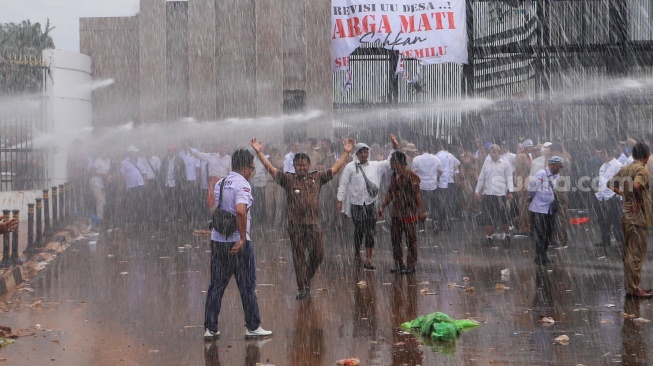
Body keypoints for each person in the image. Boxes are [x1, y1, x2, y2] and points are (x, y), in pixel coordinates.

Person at [251, 137, 354, 300]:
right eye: (299, 165)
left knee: (318, 255)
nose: (302, 168)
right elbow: (271, 169)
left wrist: (346, 153)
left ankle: (306, 277)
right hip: (295, 226)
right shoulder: (288, 179)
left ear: (309, 165)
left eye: (304, 165)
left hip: (314, 224)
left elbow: (334, 169)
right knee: (298, 256)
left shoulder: (317, 177)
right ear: (294, 166)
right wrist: (259, 153)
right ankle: (302, 287)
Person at [203, 149, 273, 339]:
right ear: (244, 168)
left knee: (216, 285)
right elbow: (240, 210)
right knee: (247, 286)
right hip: (237, 243)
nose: (252, 172)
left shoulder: (221, 182)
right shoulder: (243, 184)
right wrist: (242, 237)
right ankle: (252, 326)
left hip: (218, 241)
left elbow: (218, 208)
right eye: (251, 168)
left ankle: (210, 327)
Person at [337, 134, 399, 270]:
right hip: (356, 204)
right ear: (357, 154)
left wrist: (394, 148)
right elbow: (343, 183)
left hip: (371, 203)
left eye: (366, 151)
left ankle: (369, 259)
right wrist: (340, 199)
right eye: (361, 152)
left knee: (370, 231)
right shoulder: (350, 167)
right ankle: (357, 254)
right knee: (359, 230)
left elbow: (389, 162)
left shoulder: (376, 166)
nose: (364, 154)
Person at [608, 142, 653, 298]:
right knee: (636, 254)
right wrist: (638, 200)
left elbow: (610, 184)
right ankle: (634, 288)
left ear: (633, 155)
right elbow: (637, 185)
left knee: (628, 253)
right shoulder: (642, 170)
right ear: (646, 157)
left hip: (626, 216)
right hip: (638, 218)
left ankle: (631, 286)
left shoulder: (625, 169)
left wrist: (624, 195)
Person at [377, 151, 426, 274]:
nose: (391, 165)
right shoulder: (394, 176)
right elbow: (390, 193)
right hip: (396, 214)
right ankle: (398, 263)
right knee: (395, 239)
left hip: (409, 213)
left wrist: (422, 212)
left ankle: (411, 265)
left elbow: (417, 195)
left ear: (398, 163)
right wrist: (382, 207)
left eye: (392, 163)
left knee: (411, 240)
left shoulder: (412, 176)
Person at [475, 144, 515, 245]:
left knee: (504, 217)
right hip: (488, 195)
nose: (493, 154)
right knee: (488, 218)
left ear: (499, 152)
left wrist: (510, 191)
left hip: (501, 195)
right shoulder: (487, 163)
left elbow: (509, 179)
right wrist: (477, 190)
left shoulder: (505, 164)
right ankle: (489, 238)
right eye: (491, 152)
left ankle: (507, 236)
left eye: (495, 152)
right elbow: (481, 178)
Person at [528, 156, 564, 268]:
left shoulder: (557, 175)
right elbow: (533, 188)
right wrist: (530, 197)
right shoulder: (541, 174)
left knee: (549, 233)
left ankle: (543, 253)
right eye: (559, 166)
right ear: (552, 165)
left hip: (550, 208)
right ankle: (540, 256)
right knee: (540, 233)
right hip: (539, 209)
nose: (560, 169)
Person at [594, 144, 623, 247]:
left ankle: (621, 242)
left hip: (613, 197)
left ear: (607, 153)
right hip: (602, 196)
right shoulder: (603, 166)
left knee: (616, 221)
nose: (601, 155)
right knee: (603, 221)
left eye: (602, 153)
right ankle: (605, 240)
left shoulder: (617, 165)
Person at [410, 144, 441, 232]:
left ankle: (421, 226)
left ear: (420, 150)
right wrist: (434, 177)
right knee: (434, 206)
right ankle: (435, 222)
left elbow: (414, 174)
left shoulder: (416, 159)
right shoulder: (436, 159)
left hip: (421, 187)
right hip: (433, 186)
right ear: (429, 149)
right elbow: (440, 172)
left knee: (420, 206)